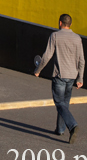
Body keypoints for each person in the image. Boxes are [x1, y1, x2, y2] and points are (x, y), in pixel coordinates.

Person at [33, 13, 84, 143]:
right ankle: (60, 129)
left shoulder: (55, 36)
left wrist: (38, 70)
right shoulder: (77, 38)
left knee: (60, 103)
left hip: (59, 76)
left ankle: (72, 125)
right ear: (70, 24)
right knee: (64, 104)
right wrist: (80, 78)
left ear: (60, 23)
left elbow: (47, 56)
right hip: (72, 76)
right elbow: (81, 60)